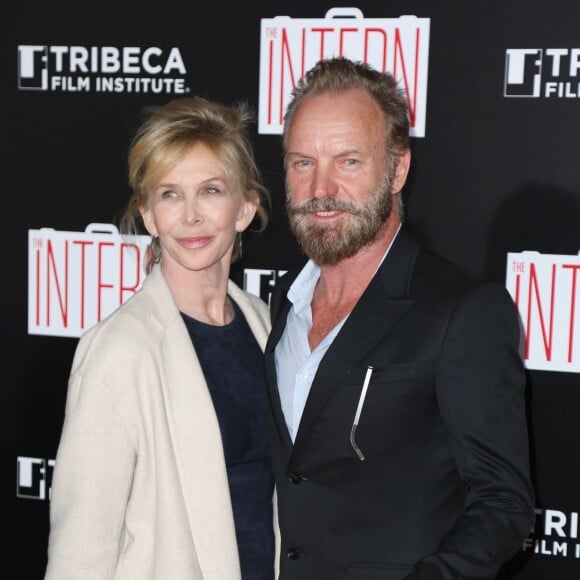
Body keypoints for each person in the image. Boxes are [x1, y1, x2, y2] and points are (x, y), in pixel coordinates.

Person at [265, 57, 535, 580]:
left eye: (348, 161)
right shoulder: (284, 305)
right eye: (302, 162)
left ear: (398, 170)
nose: (321, 188)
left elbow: (504, 503)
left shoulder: (462, 311)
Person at [44, 96, 277, 580]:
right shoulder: (119, 351)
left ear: (245, 208)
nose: (190, 216)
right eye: (170, 194)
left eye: (211, 190)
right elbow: (80, 552)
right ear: (149, 215)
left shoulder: (264, 325)